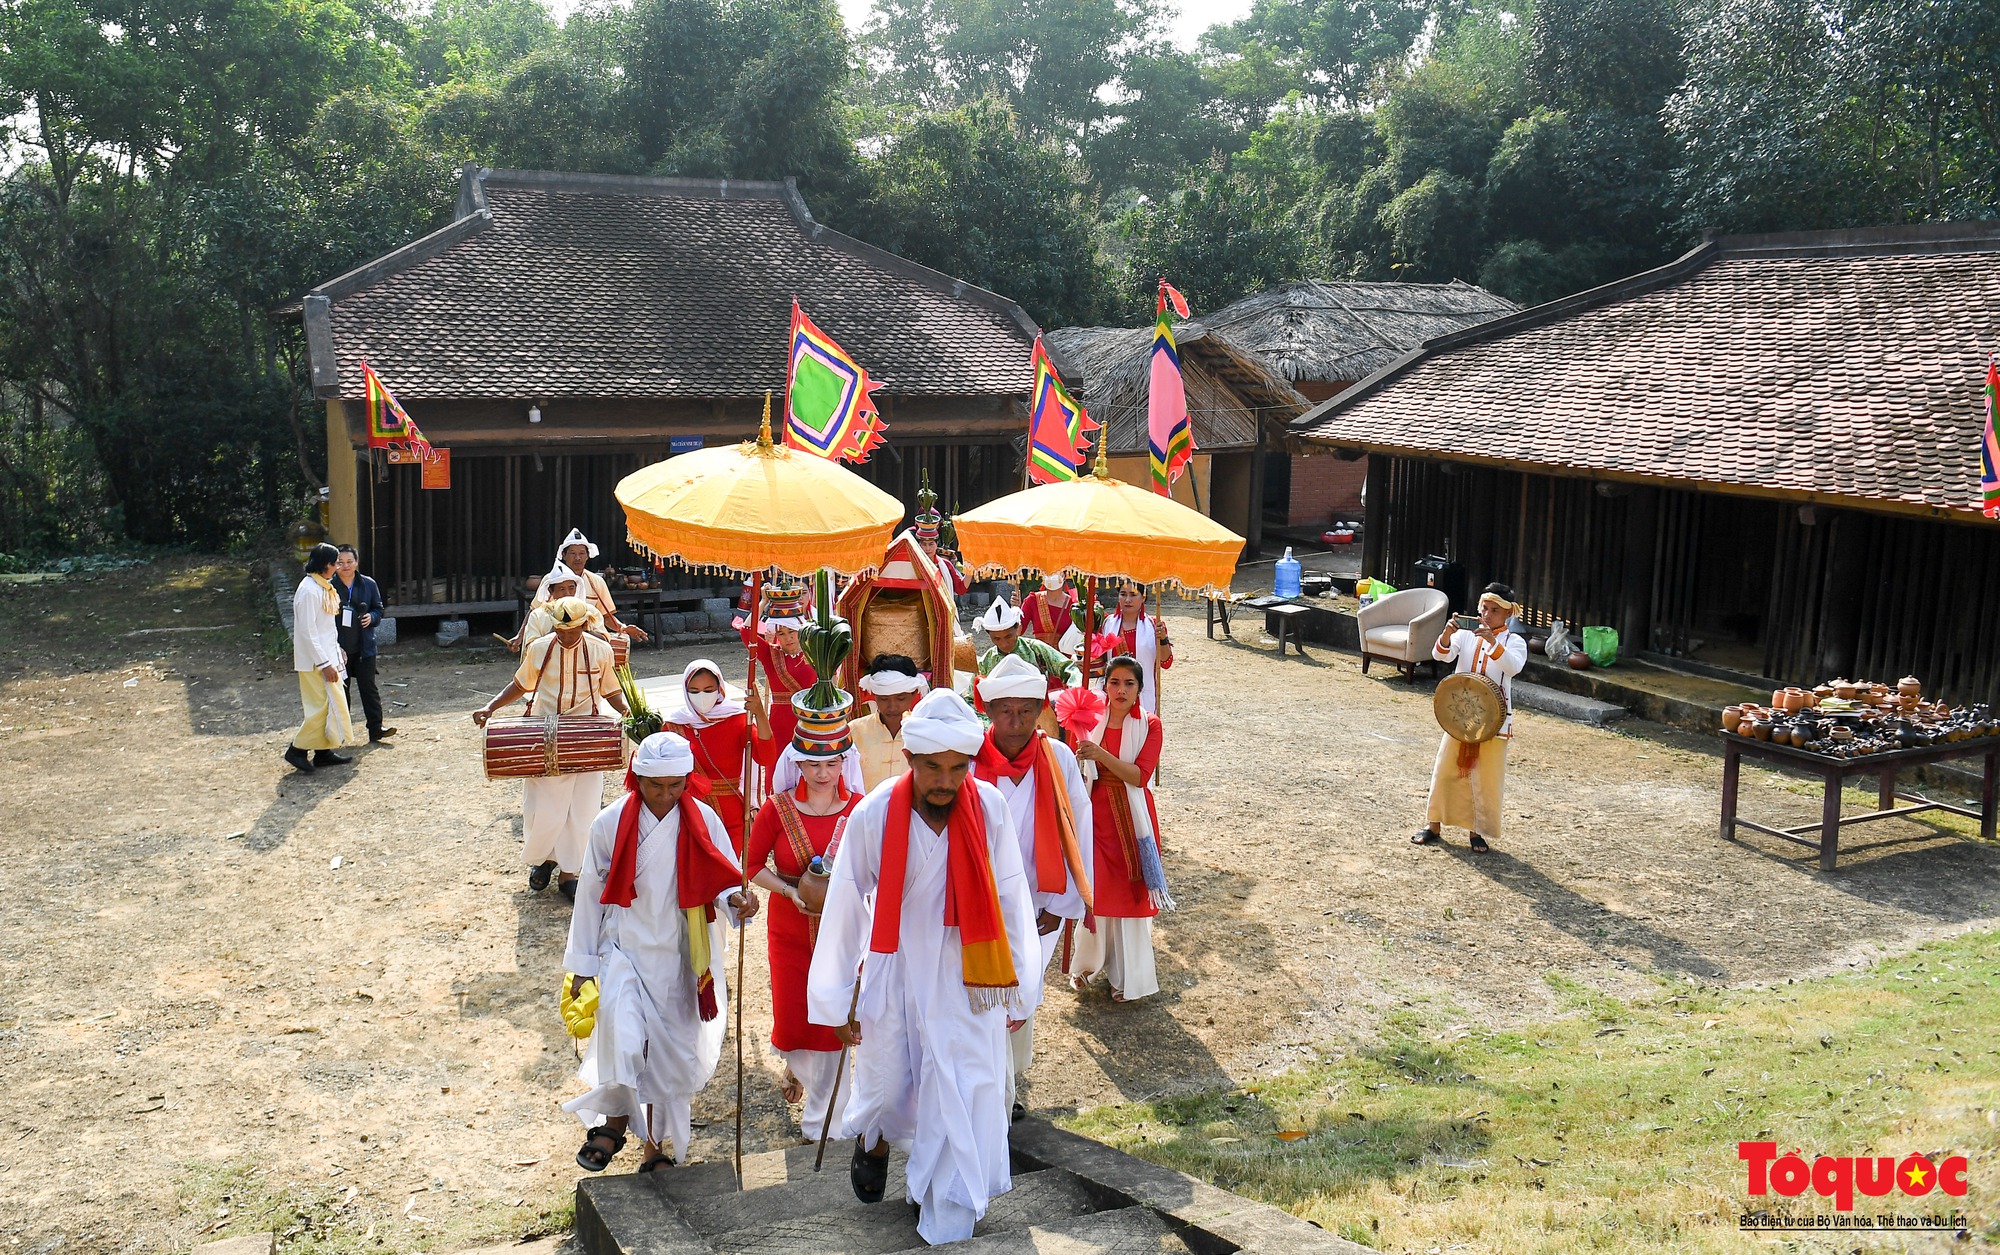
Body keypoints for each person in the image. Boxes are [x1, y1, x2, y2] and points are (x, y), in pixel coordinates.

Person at [807, 690, 1041, 1246]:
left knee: (964, 1088)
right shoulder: (873, 814)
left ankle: (946, 1209)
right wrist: (838, 998)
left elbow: (1010, 895)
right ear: (910, 759)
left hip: (971, 981)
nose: (946, 781)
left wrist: (1019, 989)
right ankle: (875, 1142)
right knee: (888, 1092)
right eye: (933, 767)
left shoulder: (988, 808)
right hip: (898, 975)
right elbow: (846, 905)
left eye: (958, 768)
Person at [563, 732, 758, 1174]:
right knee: (626, 1040)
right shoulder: (609, 824)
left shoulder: (703, 820)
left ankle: (653, 1150)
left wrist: (739, 901)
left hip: (681, 954)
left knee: (667, 1057)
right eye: (656, 786)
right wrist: (582, 965)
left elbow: (724, 881)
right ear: (637, 779)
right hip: (624, 950)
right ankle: (612, 1121)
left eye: (676, 786)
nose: (666, 795)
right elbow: (591, 896)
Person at [973, 656, 1091, 1119]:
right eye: (1006, 711)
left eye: (1026, 711)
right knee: (982, 994)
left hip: (1043, 904)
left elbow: (1076, 828)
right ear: (989, 710)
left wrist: (1063, 904)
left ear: (1041, 708)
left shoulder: (1057, 758)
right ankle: (989, 1091)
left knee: (1022, 995)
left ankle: (1011, 1085)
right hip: (983, 905)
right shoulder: (969, 761)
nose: (1016, 722)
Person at [742, 702, 865, 1143]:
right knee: (796, 1021)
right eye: (813, 763)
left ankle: (828, 1124)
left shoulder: (860, 810)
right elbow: (753, 865)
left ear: (843, 763)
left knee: (836, 1018)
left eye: (832, 762)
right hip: (789, 929)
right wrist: (791, 891)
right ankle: (807, 1086)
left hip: (843, 931)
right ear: (797, 762)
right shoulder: (776, 809)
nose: (823, 772)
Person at [472, 597, 630, 898]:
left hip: (586, 739)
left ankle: (570, 873)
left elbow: (611, 690)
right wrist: (490, 707)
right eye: (560, 630)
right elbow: (521, 684)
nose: (566, 636)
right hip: (543, 736)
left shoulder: (600, 650)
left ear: (584, 625)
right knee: (542, 809)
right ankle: (543, 860)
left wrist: (628, 712)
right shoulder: (540, 647)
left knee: (582, 810)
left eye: (571, 630)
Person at [1067, 655, 1170, 1003]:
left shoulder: (1150, 725)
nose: (1121, 690)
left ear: (1140, 689)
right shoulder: (1089, 718)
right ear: (1105, 685)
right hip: (1094, 813)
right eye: (1115, 682)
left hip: (1132, 816)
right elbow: (1075, 766)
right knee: (1096, 892)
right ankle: (1088, 966)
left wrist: (1100, 756)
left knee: (1130, 895)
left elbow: (1140, 776)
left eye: (1129, 683)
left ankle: (1127, 979)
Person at [1414, 584, 1527, 855]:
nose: (1486, 615)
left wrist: (1492, 642)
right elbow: (1440, 655)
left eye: (1494, 610)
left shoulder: (1515, 642)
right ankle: (1434, 825)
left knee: (1485, 778)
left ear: (1508, 613)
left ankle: (1476, 832)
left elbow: (1512, 667)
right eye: (1484, 609)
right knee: (1444, 770)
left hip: (1493, 721)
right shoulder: (1465, 635)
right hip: (1459, 716)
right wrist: (1447, 633)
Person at [662, 659, 774, 854]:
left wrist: (760, 715)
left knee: (728, 875)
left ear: (720, 688)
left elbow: (766, 756)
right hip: (688, 812)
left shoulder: (739, 720)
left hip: (731, 815)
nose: (702, 696)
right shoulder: (673, 725)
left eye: (708, 689)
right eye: (694, 691)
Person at [284, 543, 361, 773]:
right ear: (326, 565)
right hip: (315, 661)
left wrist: (337, 651)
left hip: (327, 655)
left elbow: (326, 628)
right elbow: (308, 632)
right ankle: (297, 750)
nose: (338, 567)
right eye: (336, 563)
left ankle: (323, 752)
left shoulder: (323, 587)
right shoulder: (309, 590)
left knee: (331, 706)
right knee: (320, 707)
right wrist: (325, 663)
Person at [739, 582, 818, 789]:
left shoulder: (816, 651)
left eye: (791, 631)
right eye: (781, 633)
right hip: (780, 721)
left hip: (811, 720)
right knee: (779, 767)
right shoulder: (771, 653)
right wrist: (763, 602)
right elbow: (746, 633)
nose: (787, 638)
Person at [533, 528, 649, 644]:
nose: (577, 558)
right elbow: (534, 612)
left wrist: (623, 628)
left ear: (588, 555)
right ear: (563, 555)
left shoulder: (597, 581)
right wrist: (520, 637)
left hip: (590, 641)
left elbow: (606, 616)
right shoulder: (550, 580)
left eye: (582, 553)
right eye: (573, 553)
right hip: (555, 640)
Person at [333, 545, 395, 743]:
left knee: (368, 688)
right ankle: (341, 733)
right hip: (339, 648)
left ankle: (376, 729)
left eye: (349, 562)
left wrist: (372, 616)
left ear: (356, 562)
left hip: (365, 646)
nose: (345, 566)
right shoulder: (330, 586)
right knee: (341, 691)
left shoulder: (368, 583)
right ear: (334, 565)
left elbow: (379, 608)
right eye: (340, 563)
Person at [848, 654, 925, 793]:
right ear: (875, 695)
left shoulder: (925, 733)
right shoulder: (854, 731)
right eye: (884, 699)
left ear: (914, 694)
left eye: (901, 699)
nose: (892, 707)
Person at [975, 598, 1081, 694]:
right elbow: (972, 694)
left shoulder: (1035, 649)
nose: (1004, 643)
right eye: (996, 639)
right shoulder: (986, 661)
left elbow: (1068, 667)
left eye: (1008, 637)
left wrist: (1075, 690)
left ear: (1016, 628)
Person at [1106, 583, 1172, 716]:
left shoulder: (1155, 625)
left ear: (1143, 597)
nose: (1127, 600)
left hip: (1143, 694)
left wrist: (1163, 639)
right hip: (1114, 693)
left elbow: (1166, 662)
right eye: (1123, 594)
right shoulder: (1107, 624)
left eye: (1133, 595)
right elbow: (1100, 662)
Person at [510, 564, 603, 653]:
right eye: (561, 589)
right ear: (551, 591)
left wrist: (584, 629)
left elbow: (605, 643)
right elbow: (530, 650)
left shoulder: (590, 611)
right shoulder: (538, 615)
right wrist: (554, 631)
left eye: (571, 588)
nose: (567, 593)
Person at [913, 510, 969, 596]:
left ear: (937, 544)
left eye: (931, 544)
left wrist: (971, 569)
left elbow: (960, 589)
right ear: (919, 545)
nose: (927, 548)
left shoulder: (945, 565)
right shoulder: (912, 564)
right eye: (924, 544)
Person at [1019, 574, 1074, 642]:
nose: (1052, 574)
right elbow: (1018, 632)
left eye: (1057, 571)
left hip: (1066, 651)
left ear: (1064, 576)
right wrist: (1016, 610)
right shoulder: (1033, 600)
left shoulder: (1074, 603)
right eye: (1047, 571)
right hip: (1041, 651)